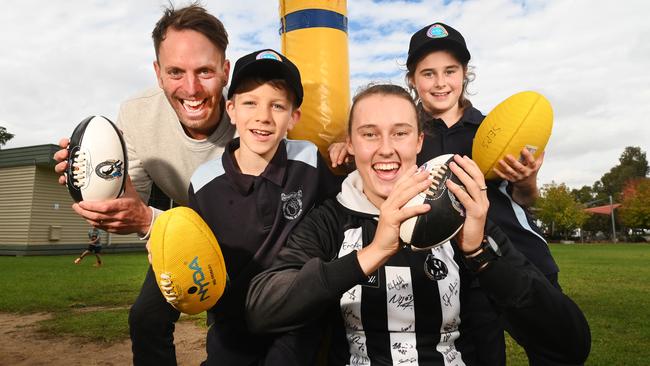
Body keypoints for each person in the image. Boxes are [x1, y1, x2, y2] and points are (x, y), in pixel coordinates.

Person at [246, 84, 591, 366]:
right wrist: (374, 252)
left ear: (419, 142)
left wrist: (480, 254)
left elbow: (569, 343)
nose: (386, 149)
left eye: (400, 133)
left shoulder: (460, 213)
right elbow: (263, 309)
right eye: (369, 134)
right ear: (350, 144)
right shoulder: (332, 219)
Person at [328, 23, 563, 364]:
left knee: (553, 345)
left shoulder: (492, 131)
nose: (440, 83)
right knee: (484, 351)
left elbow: (524, 200)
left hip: (517, 255)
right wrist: (345, 146)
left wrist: (527, 179)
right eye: (428, 73)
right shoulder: (407, 138)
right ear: (412, 79)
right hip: (460, 268)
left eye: (450, 71)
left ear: (465, 73)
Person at [53, 5, 236, 365]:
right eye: (175, 72)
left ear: (225, 71)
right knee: (146, 319)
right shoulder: (136, 114)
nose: (192, 88)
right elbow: (128, 204)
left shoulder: (249, 109)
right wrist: (92, 185)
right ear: (158, 73)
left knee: (235, 327)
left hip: (248, 232)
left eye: (205, 71)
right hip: (181, 231)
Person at [187, 49, 340, 365]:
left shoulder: (308, 160)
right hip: (232, 322)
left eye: (278, 105)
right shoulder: (204, 182)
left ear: (293, 117)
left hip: (295, 319)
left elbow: (340, 216)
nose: (263, 116)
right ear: (231, 109)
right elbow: (193, 255)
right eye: (250, 103)